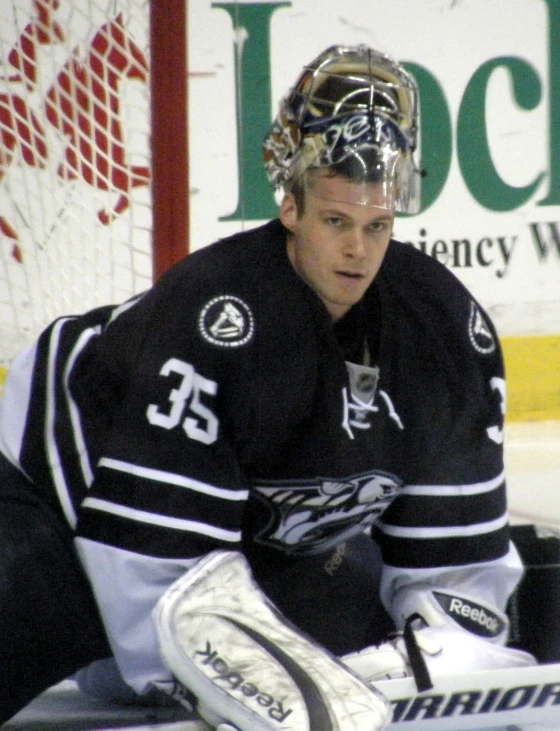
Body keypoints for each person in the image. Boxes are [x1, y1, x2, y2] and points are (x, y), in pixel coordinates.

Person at [0, 44, 535, 728]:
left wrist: (434, 649)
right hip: (63, 511)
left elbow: (454, 572)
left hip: (247, 548)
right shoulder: (216, 315)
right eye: (336, 222)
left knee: (356, 642)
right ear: (291, 206)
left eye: (377, 227)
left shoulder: (444, 329)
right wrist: (218, 673)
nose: (357, 251)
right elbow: (155, 577)